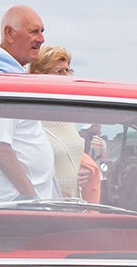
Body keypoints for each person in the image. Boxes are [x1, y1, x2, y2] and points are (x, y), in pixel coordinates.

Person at [0, 6, 56, 205]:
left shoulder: (7, 78)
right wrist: (31, 197)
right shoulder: (1, 82)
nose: (41, 39)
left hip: (17, 203)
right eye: (34, 32)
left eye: (42, 32)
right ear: (9, 33)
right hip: (13, 205)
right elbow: (0, 149)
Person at [28, 45, 96, 201]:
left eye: (68, 70)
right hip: (45, 207)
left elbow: (69, 156)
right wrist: (50, 192)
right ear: (40, 76)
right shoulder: (31, 119)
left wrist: (84, 173)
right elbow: (21, 166)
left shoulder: (67, 116)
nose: (67, 76)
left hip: (75, 205)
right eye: (59, 72)